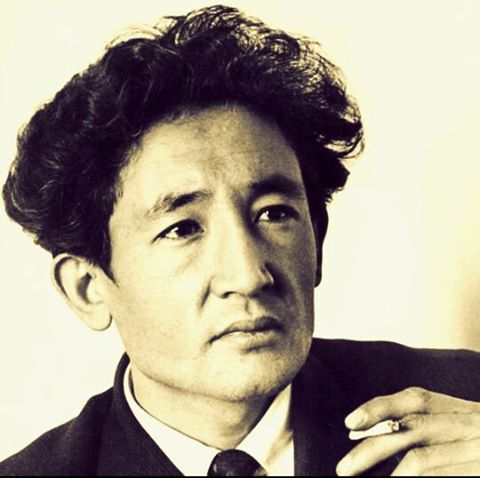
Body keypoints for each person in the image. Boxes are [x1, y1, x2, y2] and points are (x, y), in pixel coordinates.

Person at [1, 4, 480, 476]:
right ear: (88, 288)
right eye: (183, 229)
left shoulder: (462, 401)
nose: (249, 275)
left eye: (274, 214)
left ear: (317, 241)